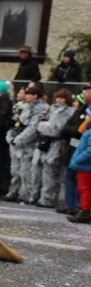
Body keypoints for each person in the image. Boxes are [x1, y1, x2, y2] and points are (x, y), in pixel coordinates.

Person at [32, 88, 76, 208]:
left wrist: (42, 126)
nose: (58, 100)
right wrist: (44, 126)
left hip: (56, 145)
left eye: (61, 98)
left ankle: (48, 199)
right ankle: (40, 196)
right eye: (58, 97)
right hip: (46, 143)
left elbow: (56, 130)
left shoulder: (67, 112)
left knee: (51, 174)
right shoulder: (52, 109)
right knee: (40, 173)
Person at [7, 82, 48, 203]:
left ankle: (27, 194)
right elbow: (17, 122)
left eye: (29, 94)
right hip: (19, 140)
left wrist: (19, 139)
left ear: (35, 95)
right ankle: (15, 191)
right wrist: (12, 137)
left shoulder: (41, 108)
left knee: (27, 172)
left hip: (30, 144)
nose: (26, 96)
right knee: (16, 170)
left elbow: (33, 128)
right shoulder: (25, 106)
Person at [60, 85, 90, 215]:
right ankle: (71, 205)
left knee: (82, 186)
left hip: (81, 157)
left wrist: (78, 159)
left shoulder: (84, 118)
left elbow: (77, 132)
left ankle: (80, 207)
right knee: (71, 180)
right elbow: (67, 129)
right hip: (74, 150)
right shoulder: (78, 114)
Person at [66, 103, 91, 223]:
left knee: (84, 189)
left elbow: (89, 150)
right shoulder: (88, 129)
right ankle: (83, 209)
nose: (86, 117)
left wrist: (78, 159)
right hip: (83, 166)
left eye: (88, 115)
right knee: (82, 188)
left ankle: (84, 210)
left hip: (86, 166)